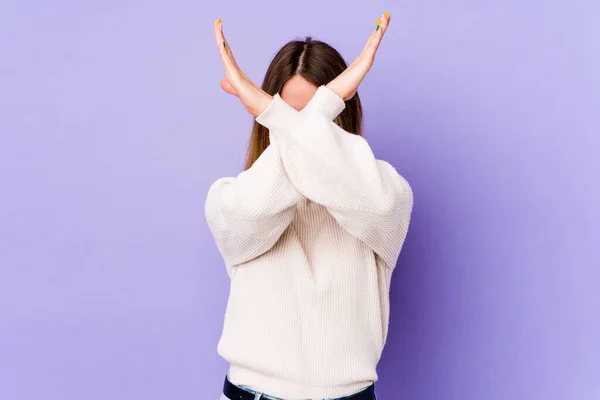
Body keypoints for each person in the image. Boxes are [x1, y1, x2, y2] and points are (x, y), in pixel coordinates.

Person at [205, 11, 413, 400]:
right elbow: (247, 217)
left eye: (318, 114)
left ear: (341, 112)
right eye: (286, 115)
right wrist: (317, 109)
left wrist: (280, 113)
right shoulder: (231, 195)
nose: (299, 130)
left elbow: (378, 206)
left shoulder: (385, 190)